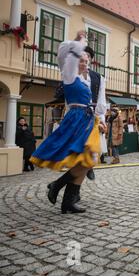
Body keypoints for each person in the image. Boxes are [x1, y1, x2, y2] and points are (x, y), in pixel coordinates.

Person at [30, 30, 104, 214]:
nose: (84, 63)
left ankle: (63, 196)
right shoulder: (69, 75)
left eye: (86, 61)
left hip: (87, 120)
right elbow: (70, 57)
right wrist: (80, 41)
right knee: (88, 159)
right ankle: (59, 189)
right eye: (82, 60)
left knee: (90, 160)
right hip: (77, 120)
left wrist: (100, 119)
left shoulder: (86, 80)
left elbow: (97, 102)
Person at [82, 46, 107, 181]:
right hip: (76, 119)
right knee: (77, 157)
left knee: (90, 154)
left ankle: (68, 192)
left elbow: (101, 104)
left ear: (91, 59)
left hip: (91, 118)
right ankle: (64, 190)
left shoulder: (98, 78)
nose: (85, 59)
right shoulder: (72, 75)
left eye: (87, 56)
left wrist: (101, 120)